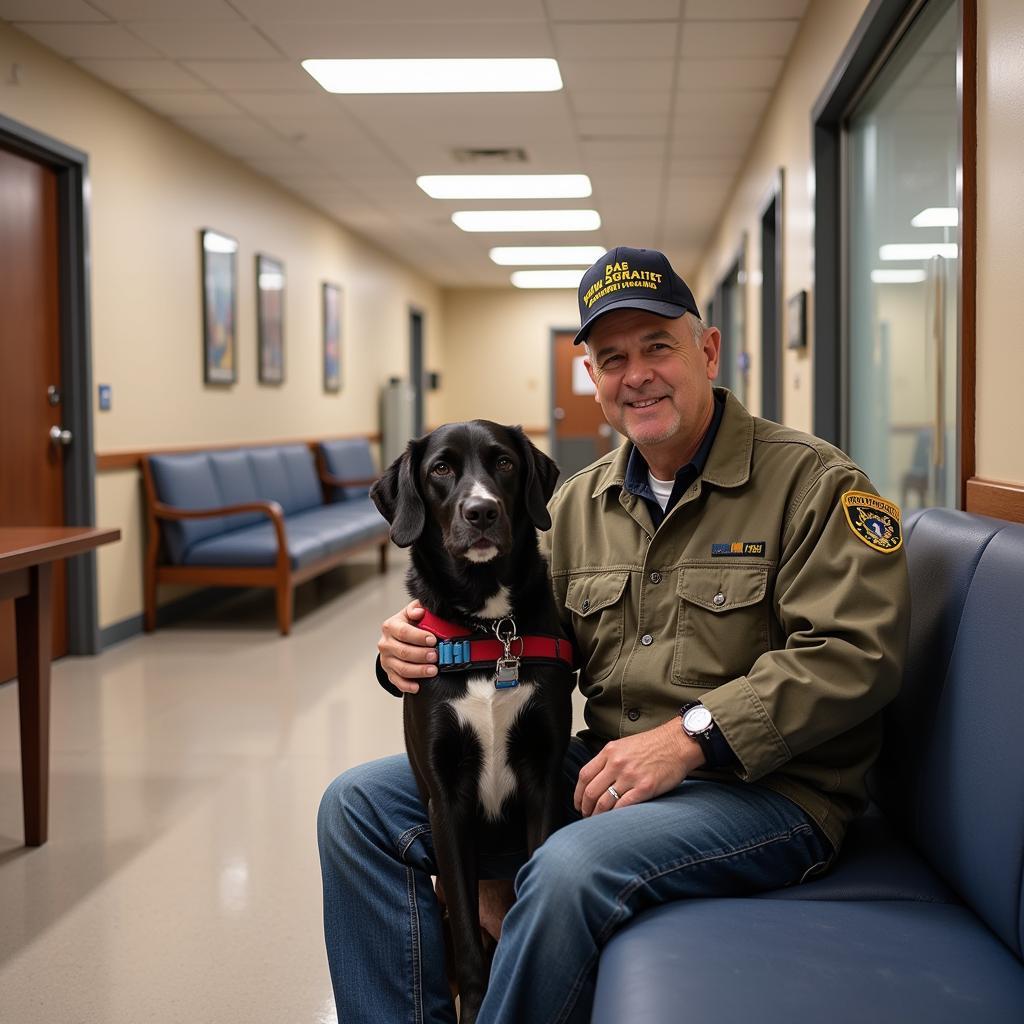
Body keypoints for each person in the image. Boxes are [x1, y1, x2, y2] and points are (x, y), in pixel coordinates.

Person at [317, 246, 910, 1023]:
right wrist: (413, 636)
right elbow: (511, 617)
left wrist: (691, 736)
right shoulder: (575, 503)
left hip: (764, 793)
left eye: (658, 347)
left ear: (707, 350)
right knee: (356, 806)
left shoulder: (815, 484)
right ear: (593, 380)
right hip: (607, 771)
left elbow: (853, 657)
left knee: (564, 866)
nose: (637, 375)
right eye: (612, 358)